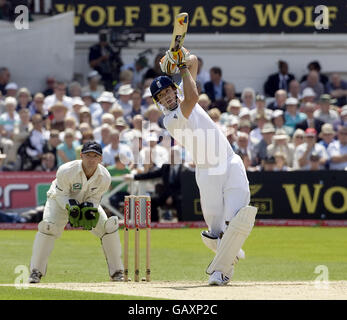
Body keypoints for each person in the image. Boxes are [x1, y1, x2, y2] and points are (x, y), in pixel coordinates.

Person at [151, 47, 257, 285]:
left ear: (173, 90)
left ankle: (220, 272)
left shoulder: (182, 90)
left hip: (230, 163)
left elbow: (194, 61)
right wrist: (179, 67)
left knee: (236, 220)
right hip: (207, 173)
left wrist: (176, 55)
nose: (168, 97)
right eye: (162, 96)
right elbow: (192, 98)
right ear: (158, 102)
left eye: (169, 91)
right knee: (214, 232)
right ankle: (226, 251)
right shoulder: (171, 120)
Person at [28, 141, 124, 283]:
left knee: (108, 228)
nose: (91, 159)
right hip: (59, 201)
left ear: (101, 159)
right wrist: (71, 208)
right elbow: (61, 195)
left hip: (86, 202)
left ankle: (117, 272)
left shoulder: (105, 176)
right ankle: (35, 272)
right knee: (48, 228)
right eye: (88, 155)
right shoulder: (66, 170)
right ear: (81, 156)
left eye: (95, 156)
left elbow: (95, 198)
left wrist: (88, 208)